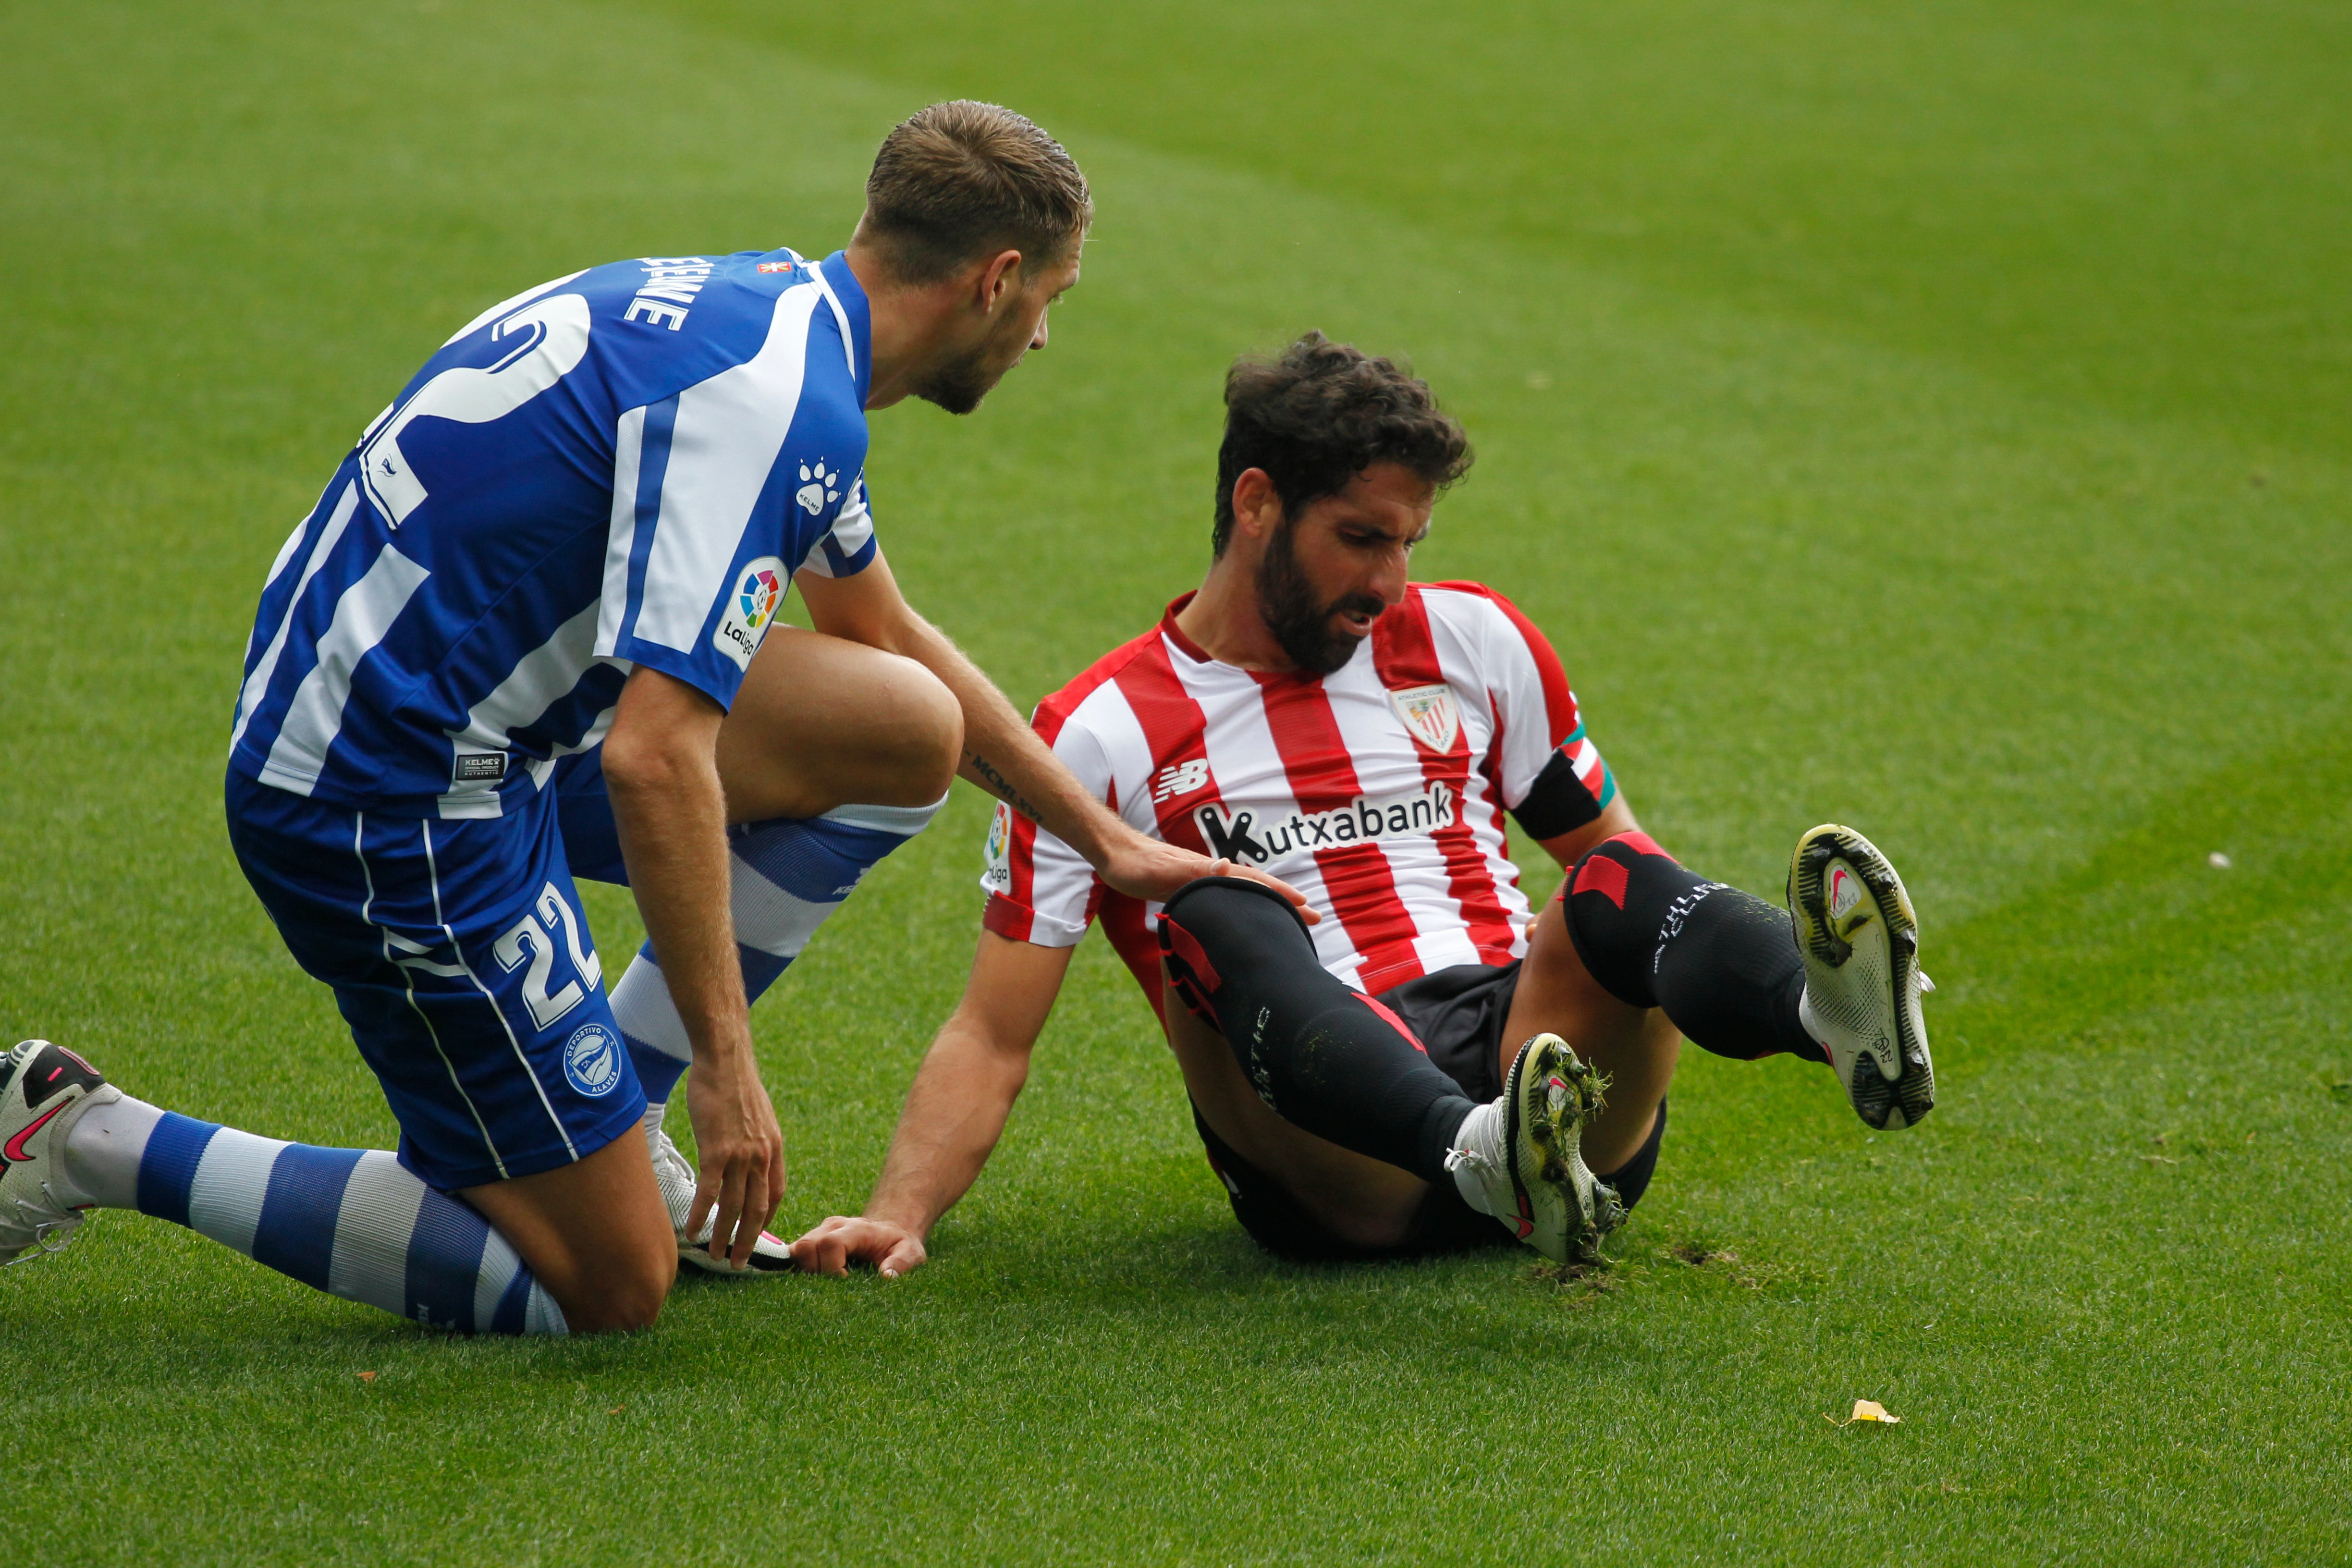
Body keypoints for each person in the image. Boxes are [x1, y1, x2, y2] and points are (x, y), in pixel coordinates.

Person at [0, 103, 1301, 1333]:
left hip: (460, 722)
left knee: (905, 728)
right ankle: (85, 1137)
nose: (1042, 343)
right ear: (997, 278)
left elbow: (885, 636)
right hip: (376, 795)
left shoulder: (775, 319)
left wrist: (1101, 838)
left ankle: (615, 1118)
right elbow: (656, 754)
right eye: (1051, 305)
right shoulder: (774, 403)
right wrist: (734, 1074)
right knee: (608, 1288)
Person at [791, 333, 1936, 1278]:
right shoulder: (1100, 728)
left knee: (1614, 873)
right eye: (1360, 539)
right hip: (1340, 1163)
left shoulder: (1473, 638)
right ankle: (1476, 1155)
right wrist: (903, 1212)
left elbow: (1637, 895)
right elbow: (995, 1029)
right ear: (1255, 503)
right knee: (1213, 910)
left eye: (1409, 543)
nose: (1388, 582)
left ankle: (1828, 1013)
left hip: (1545, 1078)